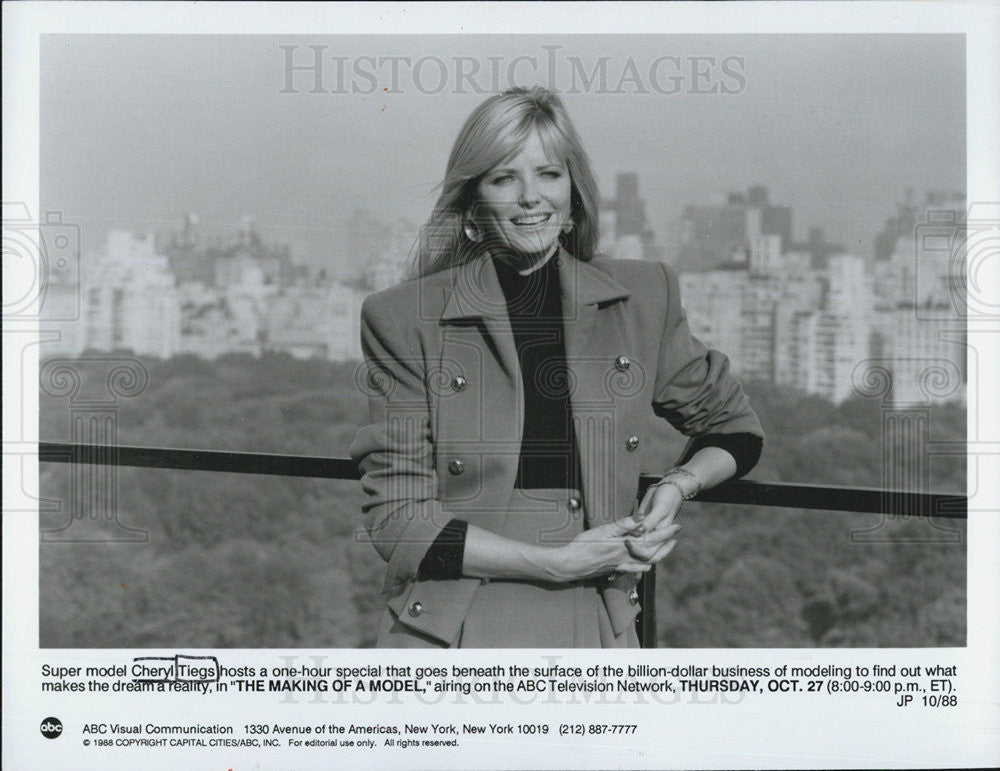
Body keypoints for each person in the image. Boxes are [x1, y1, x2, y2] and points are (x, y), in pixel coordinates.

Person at [350, 86, 763, 648]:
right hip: (453, 624)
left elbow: (734, 428)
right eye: (503, 179)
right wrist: (555, 564)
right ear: (472, 209)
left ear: (574, 195)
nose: (530, 198)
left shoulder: (643, 296)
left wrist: (675, 488)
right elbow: (396, 517)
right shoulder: (401, 317)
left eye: (548, 174)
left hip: (598, 617)